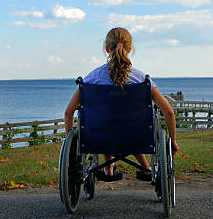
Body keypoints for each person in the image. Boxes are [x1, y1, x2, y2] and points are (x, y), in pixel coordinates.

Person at [64, 27, 179, 182]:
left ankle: (108, 169)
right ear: (129, 49)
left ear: (106, 48)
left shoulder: (91, 79)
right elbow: (169, 113)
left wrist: (70, 149)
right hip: (135, 135)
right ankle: (146, 167)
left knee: (107, 122)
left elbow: (68, 112)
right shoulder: (141, 80)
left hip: (98, 136)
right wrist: (173, 141)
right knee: (128, 126)